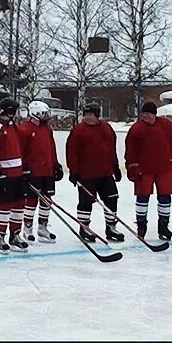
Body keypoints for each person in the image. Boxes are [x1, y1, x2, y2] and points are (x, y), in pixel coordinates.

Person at [124, 101, 172, 241]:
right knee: (142, 197)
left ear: (155, 114)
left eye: (148, 114)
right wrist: (132, 166)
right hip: (144, 170)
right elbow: (130, 150)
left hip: (164, 168)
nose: (145, 116)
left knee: (165, 197)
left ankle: (163, 226)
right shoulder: (136, 129)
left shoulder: (167, 125)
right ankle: (141, 225)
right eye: (143, 114)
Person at [66, 103, 124, 243]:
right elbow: (71, 152)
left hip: (105, 172)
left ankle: (111, 227)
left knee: (112, 198)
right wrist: (74, 171)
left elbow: (111, 149)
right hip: (86, 174)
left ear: (97, 115)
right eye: (85, 115)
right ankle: (84, 228)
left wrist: (115, 166)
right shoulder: (78, 130)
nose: (87, 118)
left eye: (91, 115)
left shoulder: (107, 128)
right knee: (86, 201)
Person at [0, 97, 29, 254]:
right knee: (5, 205)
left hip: (17, 173)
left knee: (19, 204)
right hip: (4, 174)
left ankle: (15, 235)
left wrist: (24, 168)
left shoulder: (12, 126)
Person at [16, 100, 63, 243]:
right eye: (44, 113)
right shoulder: (24, 129)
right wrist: (23, 168)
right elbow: (21, 150)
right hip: (33, 171)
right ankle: (27, 228)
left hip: (47, 170)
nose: (47, 116)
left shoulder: (47, 129)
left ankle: (42, 227)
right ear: (35, 114)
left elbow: (51, 148)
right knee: (31, 200)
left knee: (47, 200)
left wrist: (55, 164)